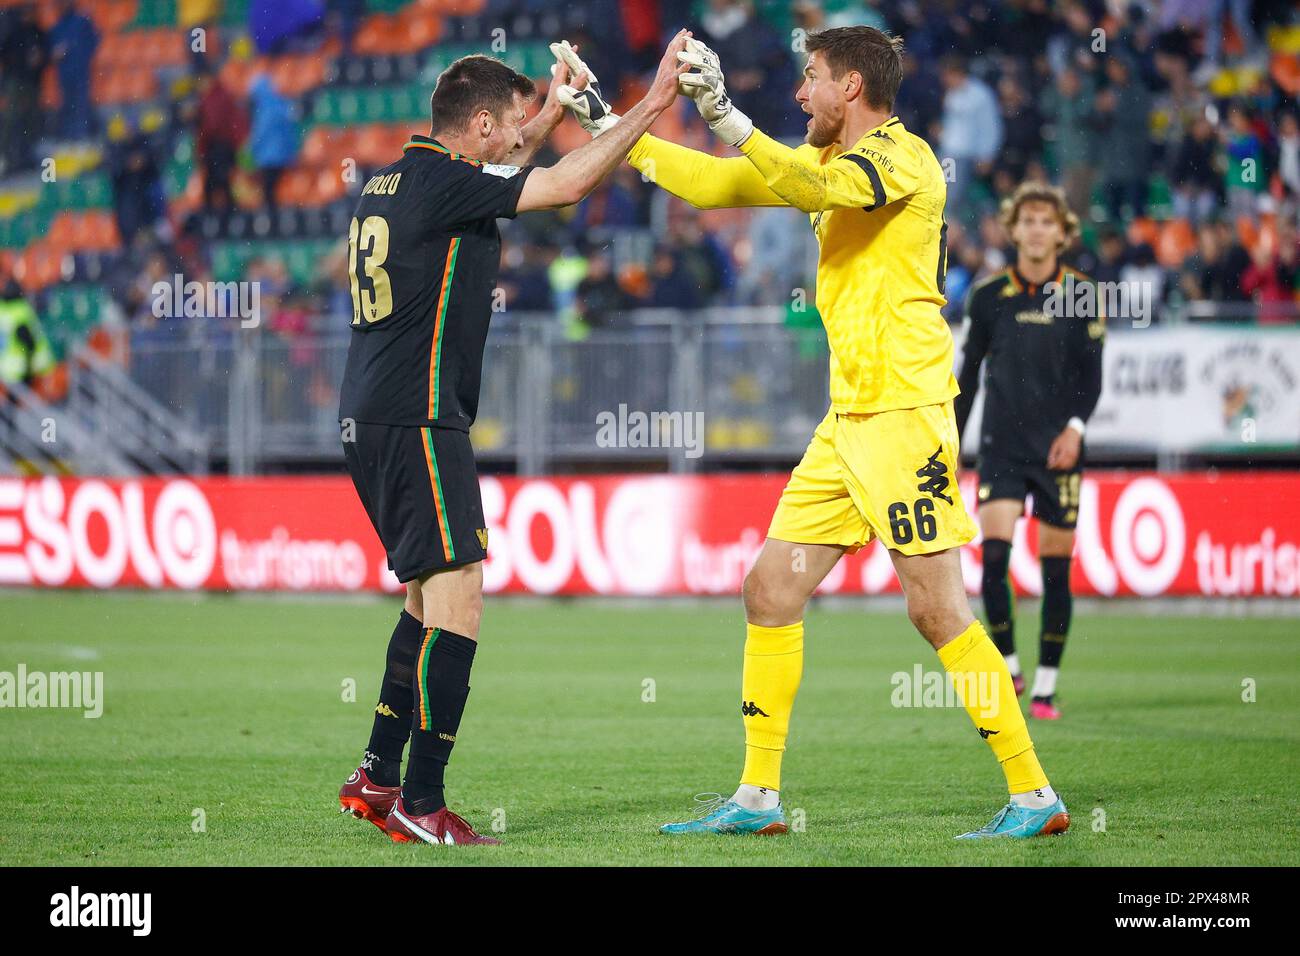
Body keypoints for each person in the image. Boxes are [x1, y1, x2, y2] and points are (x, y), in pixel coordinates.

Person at [555, 26, 1068, 839]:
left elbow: (809, 184)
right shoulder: (824, 163)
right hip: (849, 421)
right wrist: (603, 123)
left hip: (904, 415)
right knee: (770, 590)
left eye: (811, 78)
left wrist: (726, 113)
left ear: (852, 88)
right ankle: (758, 798)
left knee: (936, 611)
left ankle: (1034, 796)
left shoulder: (907, 159)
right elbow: (716, 185)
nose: (800, 94)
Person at [336, 33, 693, 846]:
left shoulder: (399, 179)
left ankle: (379, 774)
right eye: (509, 125)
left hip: (377, 415)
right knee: (460, 601)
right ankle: (422, 805)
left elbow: (511, 163)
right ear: (481, 123)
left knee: (425, 599)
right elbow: (562, 185)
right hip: (421, 417)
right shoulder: (446, 183)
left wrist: (550, 109)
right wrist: (654, 103)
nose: (515, 137)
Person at [954, 182, 1105, 721]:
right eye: (1028, 220)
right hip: (1001, 446)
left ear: (1062, 234)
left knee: (1055, 570)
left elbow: (1092, 380)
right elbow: (967, 379)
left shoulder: (1083, 294)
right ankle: (1010, 667)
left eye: (1048, 222)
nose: (1037, 230)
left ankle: (1045, 688)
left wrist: (1075, 429)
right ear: (1013, 228)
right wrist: (951, 443)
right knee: (993, 557)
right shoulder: (988, 296)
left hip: (1059, 449)